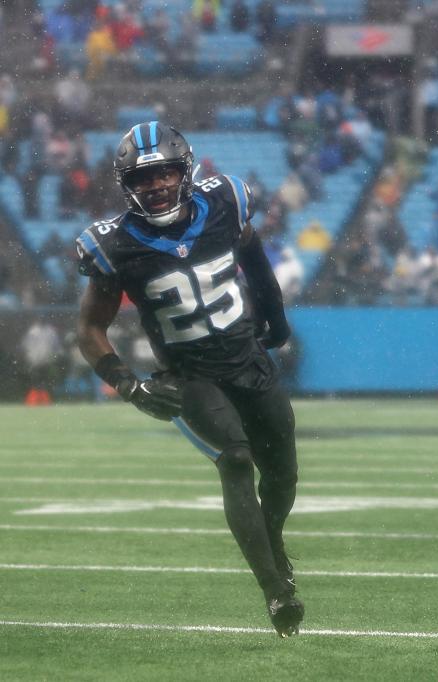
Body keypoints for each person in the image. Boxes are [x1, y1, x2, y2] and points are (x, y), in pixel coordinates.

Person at [74, 122, 304, 636]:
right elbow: (90, 327)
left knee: (284, 475)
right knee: (237, 461)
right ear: (126, 185)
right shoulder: (115, 243)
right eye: (143, 178)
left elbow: (252, 253)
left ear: (186, 169)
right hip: (191, 374)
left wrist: (276, 315)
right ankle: (275, 590)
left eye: (164, 173)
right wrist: (128, 385)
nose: (155, 185)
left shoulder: (225, 201)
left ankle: (273, 544)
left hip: (249, 360)